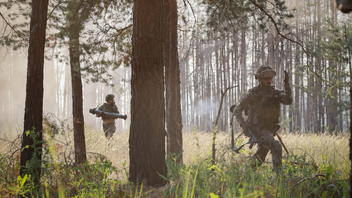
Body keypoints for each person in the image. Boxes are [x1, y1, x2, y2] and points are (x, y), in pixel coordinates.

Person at [234, 65, 292, 175]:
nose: (269, 80)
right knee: (276, 146)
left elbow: (288, 101)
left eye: (270, 78)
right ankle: (280, 179)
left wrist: (287, 84)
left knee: (260, 158)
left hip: (271, 129)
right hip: (258, 129)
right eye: (266, 78)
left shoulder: (276, 93)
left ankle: (244, 176)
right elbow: (237, 110)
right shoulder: (251, 94)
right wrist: (244, 126)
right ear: (259, 79)